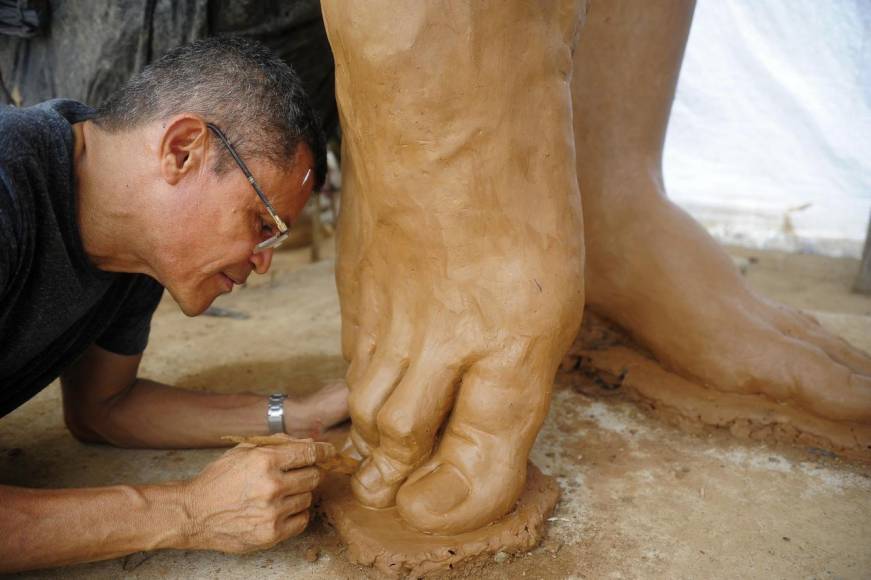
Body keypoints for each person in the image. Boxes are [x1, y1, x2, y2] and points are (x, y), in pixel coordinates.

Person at [0, 37, 349, 572]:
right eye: (262, 224)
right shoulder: (9, 192)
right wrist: (189, 511)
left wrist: (298, 415)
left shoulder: (134, 251)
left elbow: (104, 409)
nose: (262, 264)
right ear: (183, 149)